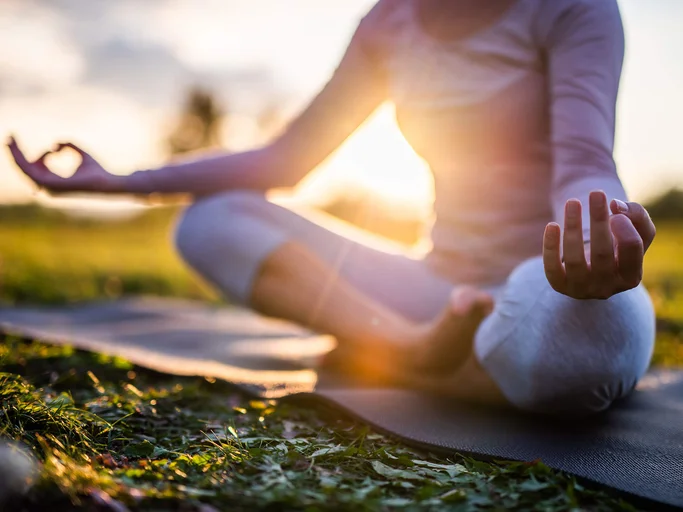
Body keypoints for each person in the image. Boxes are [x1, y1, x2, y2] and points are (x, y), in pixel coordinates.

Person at [7, 0, 657, 416]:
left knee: (590, 346)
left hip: (543, 288)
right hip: (433, 291)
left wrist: (594, 232)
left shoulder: (574, 8)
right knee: (210, 220)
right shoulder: (389, 24)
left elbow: (582, 161)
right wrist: (114, 181)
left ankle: (402, 355)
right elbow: (284, 161)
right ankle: (409, 350)